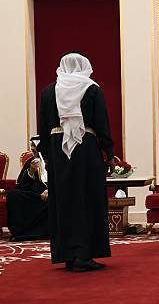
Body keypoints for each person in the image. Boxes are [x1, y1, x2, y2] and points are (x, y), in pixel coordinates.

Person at [38, 51, 114, 273]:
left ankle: (68, 255)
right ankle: (84, 254)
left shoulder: (48, 92)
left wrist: (48, 155)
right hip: (86, 151)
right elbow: (102, 123)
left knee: (64, 200)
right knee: (86, 198)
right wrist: (109, 152)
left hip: (57, 151)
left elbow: (43, 127)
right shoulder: (91, 89)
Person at [6, 136, 49, 241]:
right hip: (35, 195)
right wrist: (31, 171)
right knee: (13, 195)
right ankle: (20, 233)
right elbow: (22, 184)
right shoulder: (31, 161)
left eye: (34, 146)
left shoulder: (54, 159)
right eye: (31, 146)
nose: (32, 149)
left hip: (52, 193)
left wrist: (50, 190)